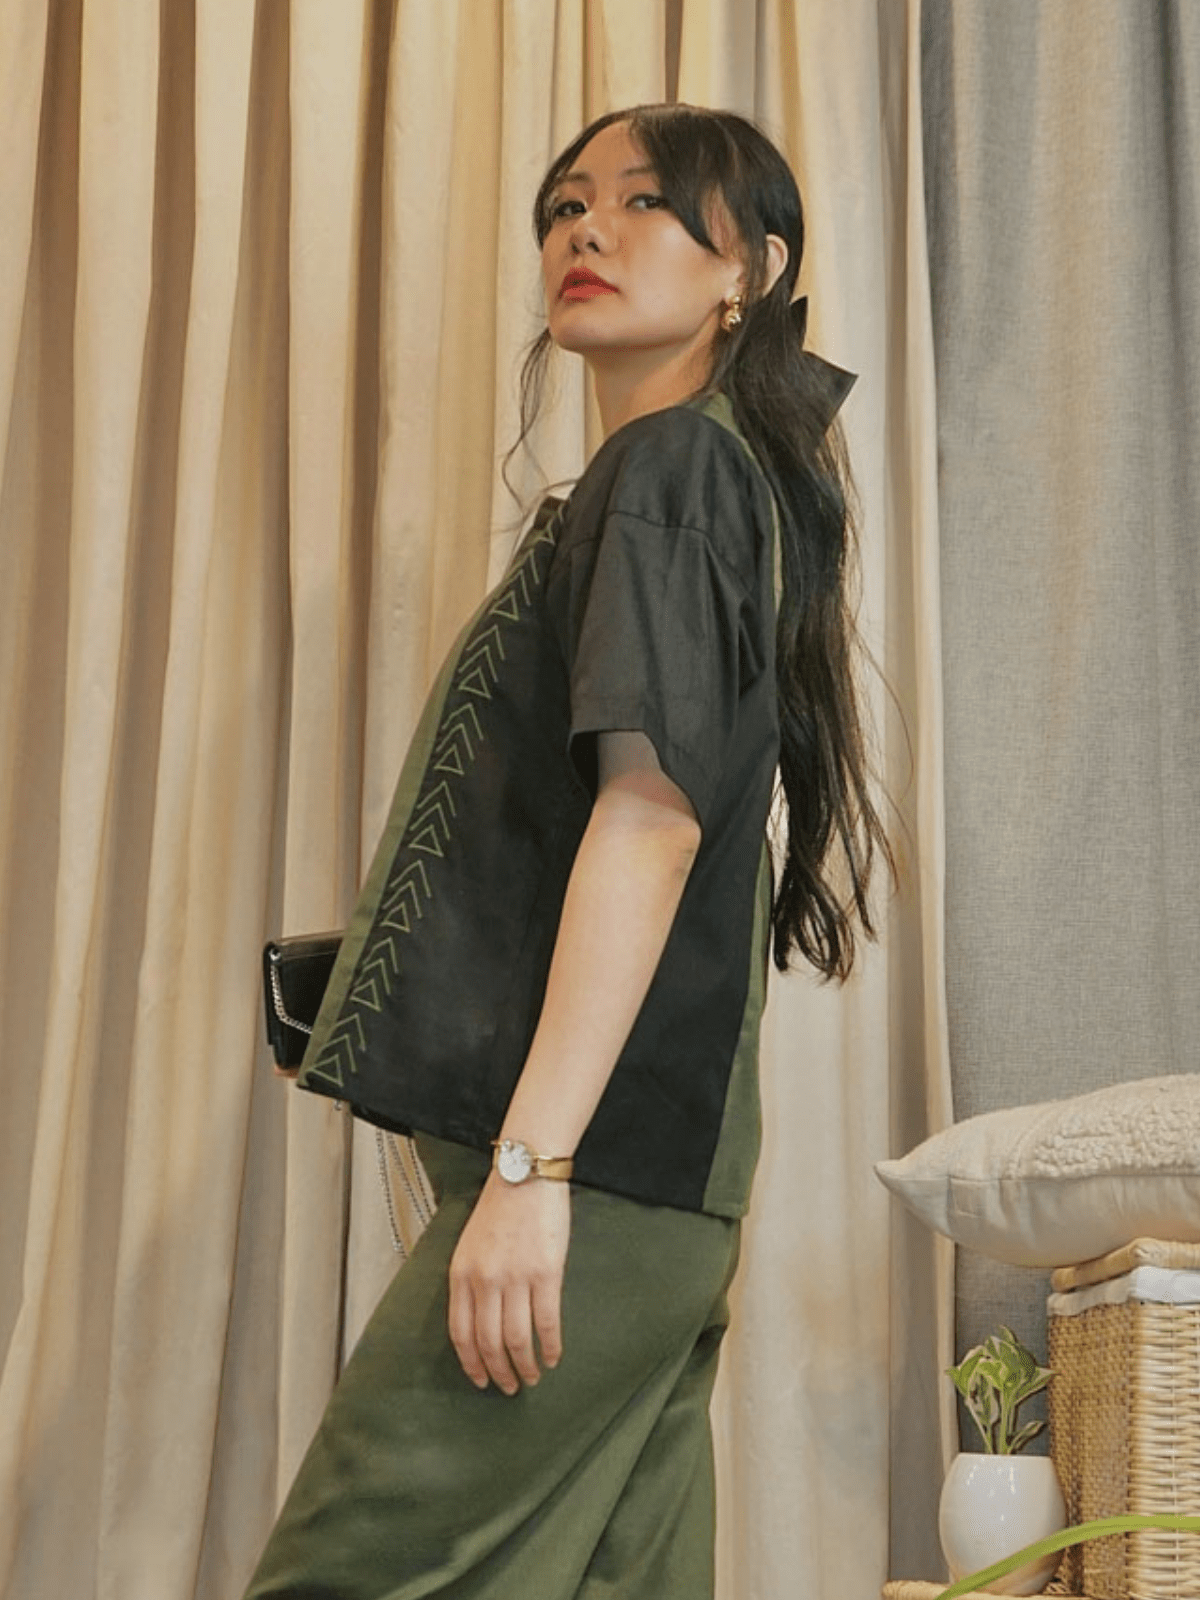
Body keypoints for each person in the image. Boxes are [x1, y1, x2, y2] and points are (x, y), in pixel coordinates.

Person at [244, 102, 891, 1600]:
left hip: (592, 1179)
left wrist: (533, 1171)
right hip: (661, 1186)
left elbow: (650, 826)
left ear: (750, 270)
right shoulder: (713, 481)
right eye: (564, 204)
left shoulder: (671, 472)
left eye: (646, 202)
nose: (586, 227)